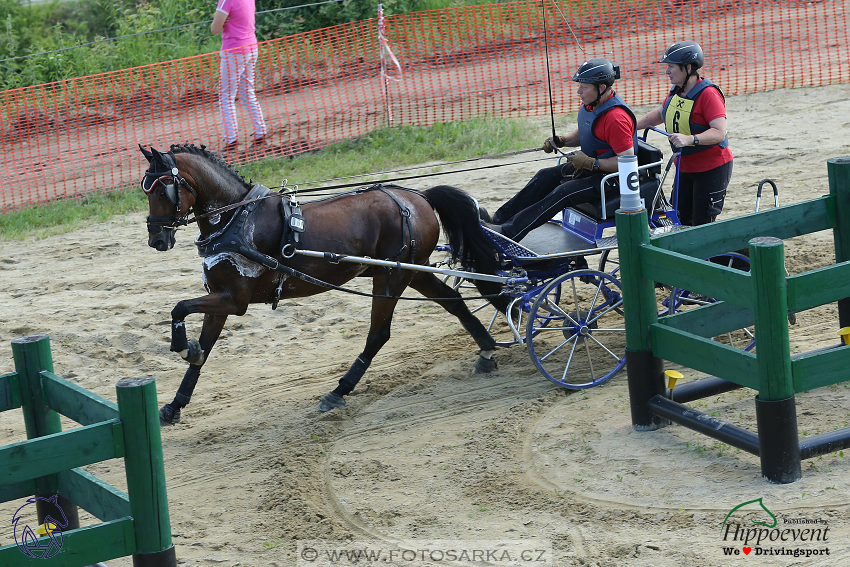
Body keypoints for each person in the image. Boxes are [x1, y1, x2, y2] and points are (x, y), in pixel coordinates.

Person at [486, 58, 637, 242]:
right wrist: (562, 140)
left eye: (584, 87)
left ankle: (508, 232)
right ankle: (498, 219)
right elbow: (586, 133)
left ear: (602, 87)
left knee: (563, 191)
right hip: (592, 169)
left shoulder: (616, 118)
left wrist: (592, 163)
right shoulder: (592, 105)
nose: (578, 91)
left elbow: (628, 163)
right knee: (544, 176)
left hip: (611, 181)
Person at [635, 40, 733, 226]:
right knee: (679, 219)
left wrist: (690, 139)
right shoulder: (677, 92)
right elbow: (660, 114)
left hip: (711, 169)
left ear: (688, 68)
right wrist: (632, 126)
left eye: (671, 67)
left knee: (701, 223)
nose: (667, 71)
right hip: (685, 168)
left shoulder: (708, 95)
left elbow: (719, 132)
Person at [211, 0, 267, 152]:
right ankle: (260, 134)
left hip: (234, 51)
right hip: (250, 47)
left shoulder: (226, 1)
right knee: (247, 93)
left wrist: (222, 20)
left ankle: (231, 141)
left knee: (226, 97)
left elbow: (214, 28)